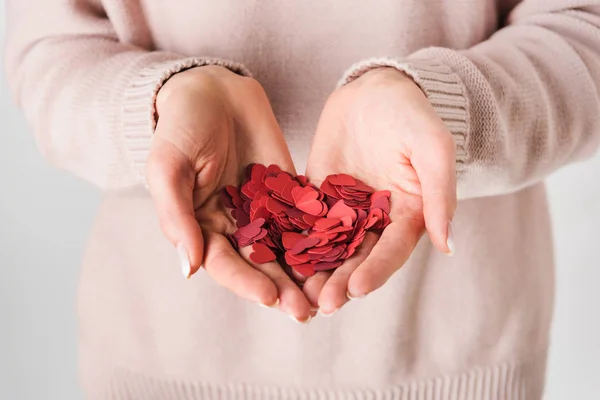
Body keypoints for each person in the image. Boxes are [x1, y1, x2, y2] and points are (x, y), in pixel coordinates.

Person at [5, 0, 600, 398]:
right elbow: (48, 46)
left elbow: (584, 29)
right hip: (159, 357)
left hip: (457, 359)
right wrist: (159, 105)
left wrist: (440, 110)